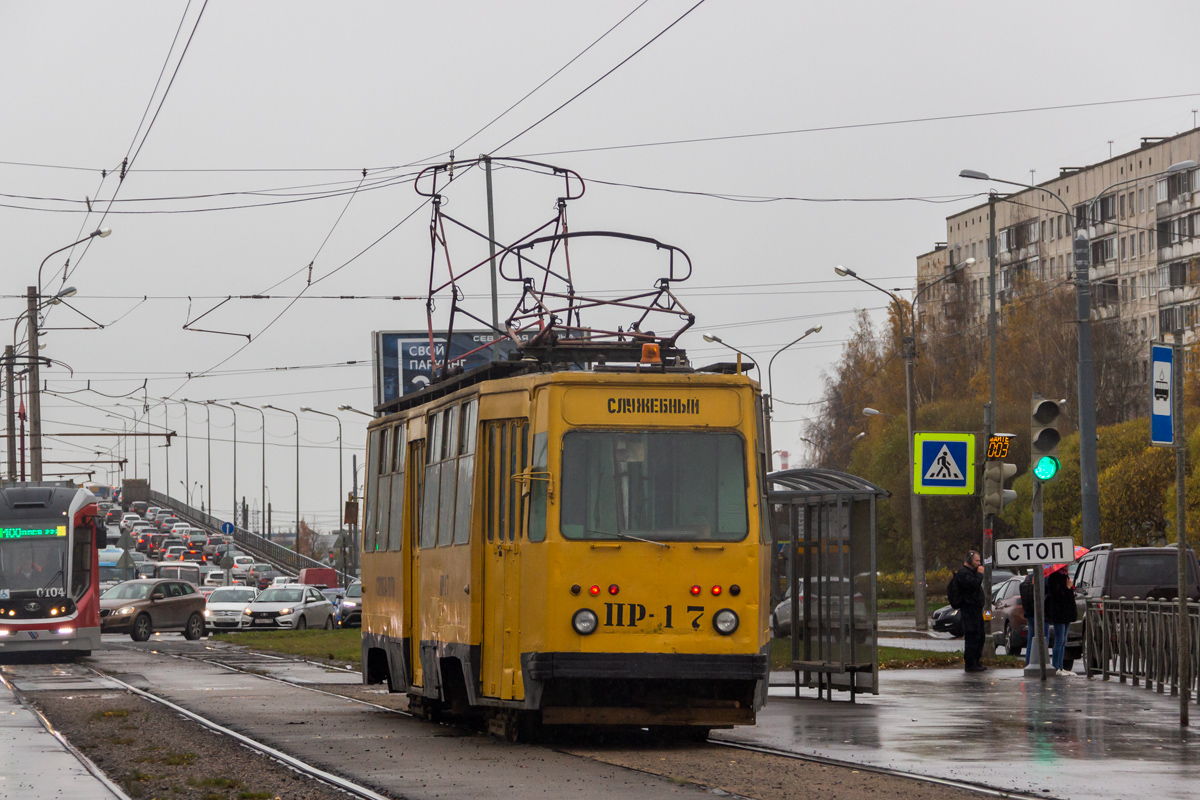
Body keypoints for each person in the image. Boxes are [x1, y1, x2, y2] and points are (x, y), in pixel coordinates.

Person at [951, 550, 987, 672]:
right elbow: (974, 584)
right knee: (972, 636)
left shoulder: (971, 572)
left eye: (979, 561)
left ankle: (976, 661)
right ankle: (970, 663)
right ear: (970, 560)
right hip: (969, 609)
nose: (979, 563)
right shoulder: (964, 573)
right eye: (977, 561)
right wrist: (980, 574)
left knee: (980, 636)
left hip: (976, 609)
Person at [1044, 568, 1077, 676]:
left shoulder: (1065, 575)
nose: (1068, 566)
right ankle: (1056, 666)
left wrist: (1070, 587)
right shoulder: (1054, 577)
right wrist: (1067, 588)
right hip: (1059, 612)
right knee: (1059, 639)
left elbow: (1069, 596)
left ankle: (1061, 667)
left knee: (1064, 640)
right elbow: (1057, 595)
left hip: (1067, 612)